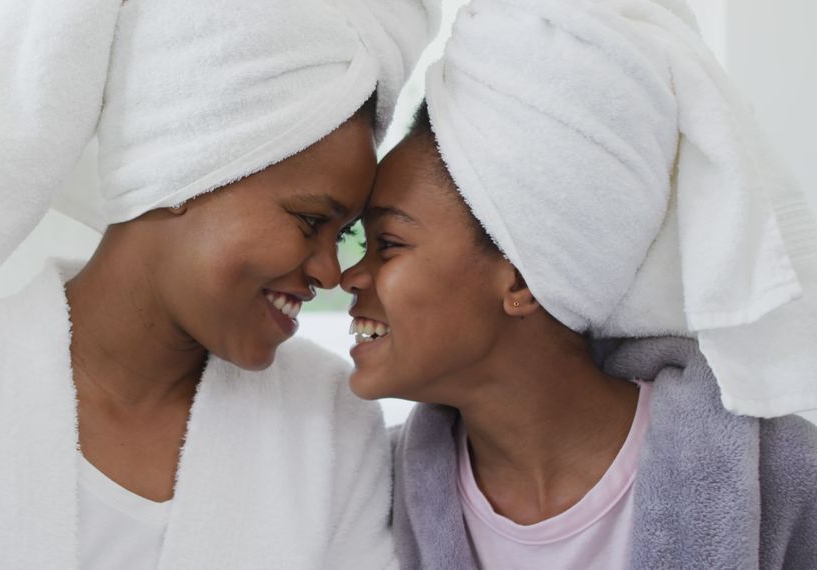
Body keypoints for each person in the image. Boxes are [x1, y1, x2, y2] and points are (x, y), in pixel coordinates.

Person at [0, 0, 436, 567]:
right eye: (310, 221)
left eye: (343, 232)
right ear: (188, 169)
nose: (329, 272)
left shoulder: (328, 420)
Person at [340, 0, 817, 568]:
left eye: (388, 243)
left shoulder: (784, 483)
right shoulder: (371, 500)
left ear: (520, 277)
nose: (348, 276)